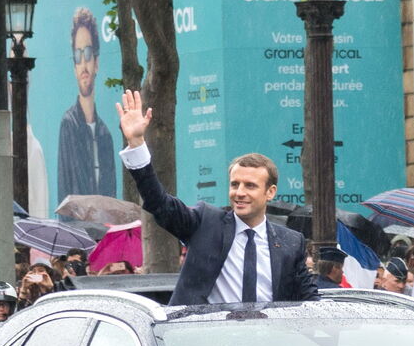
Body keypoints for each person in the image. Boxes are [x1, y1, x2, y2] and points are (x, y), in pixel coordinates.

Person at [114, 90, 319, 305]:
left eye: (250, 186)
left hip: (267, 336)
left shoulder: (291, 242)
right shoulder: (205, 222)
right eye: (234, 184)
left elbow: (309, 302)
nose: (239, 192)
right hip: (208, 334)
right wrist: (137, 145)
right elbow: (159, 202)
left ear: (271, 192)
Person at [57, 6, 118, 198]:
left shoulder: (105, 134)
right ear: (74, 67)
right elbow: (64, 191)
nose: (83, 63)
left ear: (97, 63)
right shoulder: (69, 124)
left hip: (106, 227)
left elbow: (111, 196)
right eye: (77, 55)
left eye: (88, 53)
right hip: (78, 227)